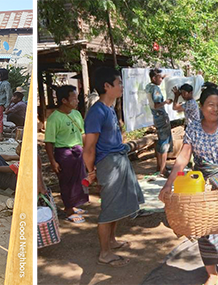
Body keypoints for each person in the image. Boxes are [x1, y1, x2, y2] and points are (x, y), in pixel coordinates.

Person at [159, 85, 218, 285]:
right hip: (202, 183)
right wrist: (168, 184)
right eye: (210, 105)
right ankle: (212, 273)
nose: (215, 109)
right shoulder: (194, 128)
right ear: (201, 106)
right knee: (205, 228)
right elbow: (183, 157)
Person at [83, 67, 144, 268]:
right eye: (118, 83)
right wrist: (91, 172)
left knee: (117, 205)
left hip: (118, 160)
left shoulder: (109, 109)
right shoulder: (96, 111)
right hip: (108, 164)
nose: (122, 86)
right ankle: (104, 253)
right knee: (108, 208)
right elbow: (89, 146)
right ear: (106, 86)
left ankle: (111, 241)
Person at [45, 85, 88, 223]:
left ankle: (74, 205)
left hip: (78, 151)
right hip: (64, 153)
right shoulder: (54, 118)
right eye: (74, 98)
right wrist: (53, 161)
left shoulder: (76, 114)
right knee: (67, 182)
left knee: (78, 180)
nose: (77, 101)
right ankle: (69, 210)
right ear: (64, 100)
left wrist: (87, 151)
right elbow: (49, 142)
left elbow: (82, 133)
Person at [145, 68, 173, 177]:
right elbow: (157, 104)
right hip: (161, 116)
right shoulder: (155, 88)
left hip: (156, 117)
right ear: (153, 78)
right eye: (159, 78)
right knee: (164, 142)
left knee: (161, 140)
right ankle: (163, 169)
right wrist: (166, 102)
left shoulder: (149, 87)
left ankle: (159, 165)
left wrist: (163, 76)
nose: (161, 80)